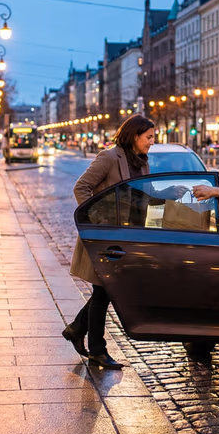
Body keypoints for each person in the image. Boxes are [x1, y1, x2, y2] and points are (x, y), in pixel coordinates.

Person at [64, 114, 156, 369]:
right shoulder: (108, 157)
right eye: (148, 137)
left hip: (126, 238)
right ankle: (97, 350)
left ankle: (76, 329)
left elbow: (140, 196)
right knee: (103, 291)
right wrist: (97, 219)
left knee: (106, 292)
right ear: (134, 135)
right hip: (105, 237)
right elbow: (81, 187)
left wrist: (167, 196)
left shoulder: (142, 162)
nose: (151, 142)